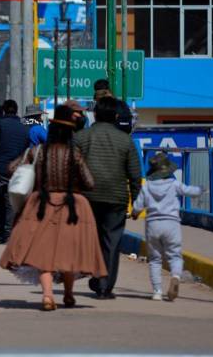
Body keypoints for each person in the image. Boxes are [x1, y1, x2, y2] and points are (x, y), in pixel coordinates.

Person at [0, 105, 107, 311]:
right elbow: (89, 182)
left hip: (41, 205)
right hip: (72, 207)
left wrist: (34, 173)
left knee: (44, 255)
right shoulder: (74, 154)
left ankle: (48, 296)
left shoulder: (37, 152)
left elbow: (12, 168)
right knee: (67, 254)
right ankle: (67, 294)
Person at [75, 96, 142, 299]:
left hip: (87, 198)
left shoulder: (81, 137)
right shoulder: (125, 140)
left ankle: (94, 275)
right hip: (116, 199)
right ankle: (105, 286)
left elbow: (72, 167)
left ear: (94, 114)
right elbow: (135, 175)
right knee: (111, 243)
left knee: (90, 239)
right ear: (115, 116)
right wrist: (138, 203)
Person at [131, 152, 202, 302]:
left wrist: (135, 213)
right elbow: (189, 191)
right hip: (172, 224)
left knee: (155, 259)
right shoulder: (173, 184)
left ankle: (157, 291)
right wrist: (201, 190)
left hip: (153, 225)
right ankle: (175, 277)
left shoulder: (147, 186)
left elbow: (137, 206)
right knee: (175, 255)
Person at [0, 100, 29, 244]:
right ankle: (8, 235)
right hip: (15, 170)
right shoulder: (23, 126)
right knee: (9, 204)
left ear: (3, 110)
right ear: (16, 110)